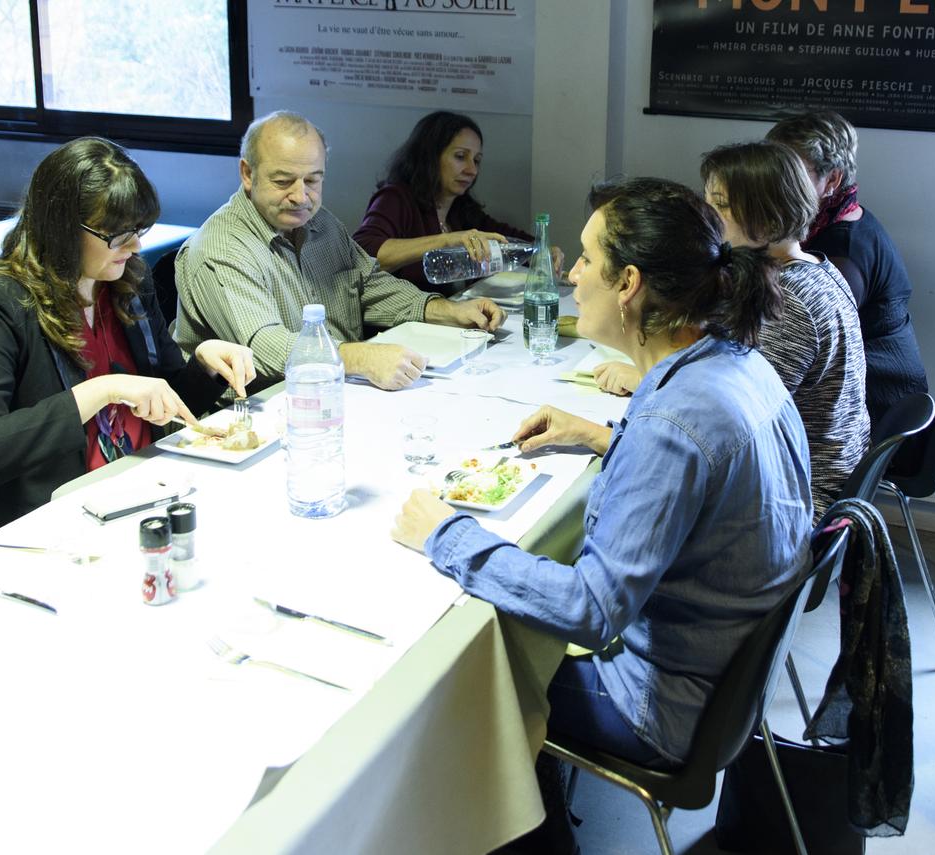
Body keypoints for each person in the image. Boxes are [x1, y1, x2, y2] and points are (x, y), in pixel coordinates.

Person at [393, 179, 813, 843]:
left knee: (458, 694)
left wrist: (447, 536)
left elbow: (592, 607)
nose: (575, 271)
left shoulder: (675, 419)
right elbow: (705, 475)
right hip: (726, 677)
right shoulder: (732, 363)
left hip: (664, 706)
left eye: (588, 258)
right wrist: (605, 438)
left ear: (630, 284)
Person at [0, 137, 254, 560]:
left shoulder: (127, 283)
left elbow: (165, 400)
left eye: (138, 230)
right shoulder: (0, 301)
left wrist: (204, 366)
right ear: (62, 228)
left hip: (136, 494)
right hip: (50, 528)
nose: (135, 245)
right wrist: (99, 391)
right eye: (118, 234)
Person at [172, 111, 505, 392]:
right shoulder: (222, 249)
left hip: (334, 392)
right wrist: (359, 358)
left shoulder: (322, 224)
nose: (301, 196)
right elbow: (265, 348)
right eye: (284, 181)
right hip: (254, 417)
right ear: (248, 173)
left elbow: (370, 286)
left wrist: (446, 310)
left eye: (313, 180)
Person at [702, 140, 870, 519]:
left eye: (720, 205)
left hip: (797, 498)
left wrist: (604, 434)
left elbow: (728, 423)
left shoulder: (789, 300)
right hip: (814, 476)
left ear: (767, 219)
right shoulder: (816, 269)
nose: (707, 216)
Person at [767, 110, 929, 425]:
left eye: (791, 173)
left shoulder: (840, 253)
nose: (774, 183)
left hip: (879, 412)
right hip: (883, 398)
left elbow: (796, 345)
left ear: (833, 180)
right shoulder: (843, 218)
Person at [352, 110, 562, 295]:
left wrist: (543, 249)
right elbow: (364, 251)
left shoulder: (460, 207)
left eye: (477, 160)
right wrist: (446, 240)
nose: (472, 170)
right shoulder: (396, 198)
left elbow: (506, 238)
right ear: (430, 156)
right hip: (405, 325)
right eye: (461, 157)